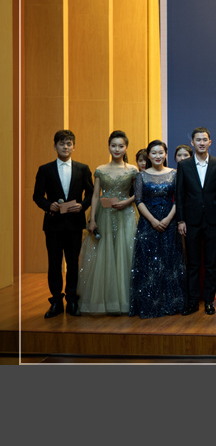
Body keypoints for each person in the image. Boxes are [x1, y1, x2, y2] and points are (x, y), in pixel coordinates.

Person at [33, 129, 94, 318]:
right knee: (54, 264)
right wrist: (48, 205)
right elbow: (37, 196)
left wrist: (82, 206)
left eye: (69, 144)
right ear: (55, 146)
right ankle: (56, 301)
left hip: (75, 224)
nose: (65, 147)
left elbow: (91, 194)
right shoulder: (45, 169)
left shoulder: (83, 168)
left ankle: (72, 300)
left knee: (73, 263)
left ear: (74, 147)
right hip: (53, 224)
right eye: (61, 143)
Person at [77, 130, 137, 315]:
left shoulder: (133, 169)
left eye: (121, 146)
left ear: (126, 148)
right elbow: (95, 195)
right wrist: (92, 219)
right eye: (113, 145)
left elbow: (138, 194)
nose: (117, 149)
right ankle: (107, 301)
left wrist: (126, 202)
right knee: (106, 254)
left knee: (125, 253)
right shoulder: (101, 169)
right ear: (109, 147)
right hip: (105, 215)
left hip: (126, 214)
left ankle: (126, 301)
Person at [129, 140, 188, 318]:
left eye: (160, 152)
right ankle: (150, 304)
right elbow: (138, 200)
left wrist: (169, 219)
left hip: (170, 221)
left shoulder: (174, 173)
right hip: (148, 223)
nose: (157, 156)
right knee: (150, 264)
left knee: (170, 261)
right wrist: (153, 220)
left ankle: (172, 303)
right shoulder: (141, 176)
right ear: (148, 155)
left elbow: (179, 199)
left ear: (165, 154)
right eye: (154, 153)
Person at [176, 127, 216, 316]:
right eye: (198, 140)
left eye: (205, 140)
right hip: (191, 220)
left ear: (210, 142)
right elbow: (180, 194)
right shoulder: (184, 165)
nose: (202, 143)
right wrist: (181, 220)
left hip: (213, 220)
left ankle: (209, 301)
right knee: (193, 264)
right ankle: (193, 302)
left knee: (211, 264)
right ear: (192, 143)